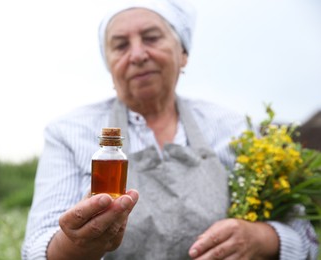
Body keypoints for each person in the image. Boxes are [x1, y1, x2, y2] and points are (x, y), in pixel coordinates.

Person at [22, 0, 319, 259]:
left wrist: (261, 238)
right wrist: (77, 245)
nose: (137, 54)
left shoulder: (234, 127)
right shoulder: (68, 132)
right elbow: (36, 249)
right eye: (121, 45)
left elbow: (306, 239)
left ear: (183, 53)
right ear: (109, 65)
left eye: (151, 38)